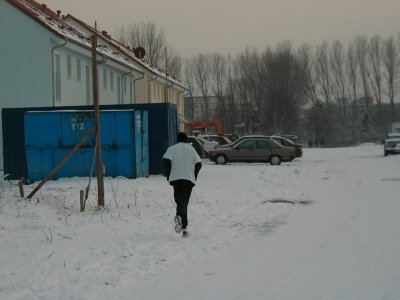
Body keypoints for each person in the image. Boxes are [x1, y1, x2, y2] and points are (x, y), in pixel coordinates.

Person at [163, 132, 202, 237]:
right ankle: (184, 227)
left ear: (177, 139)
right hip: (188, 179)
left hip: (176, 179)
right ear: (186, 139)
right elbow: (199, 164)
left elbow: (165, 160)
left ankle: (179, 218)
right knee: (184, 201)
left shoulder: (172, 149)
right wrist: (194, 175)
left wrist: (168, 174)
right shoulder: (191, 149)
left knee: (179, 200)